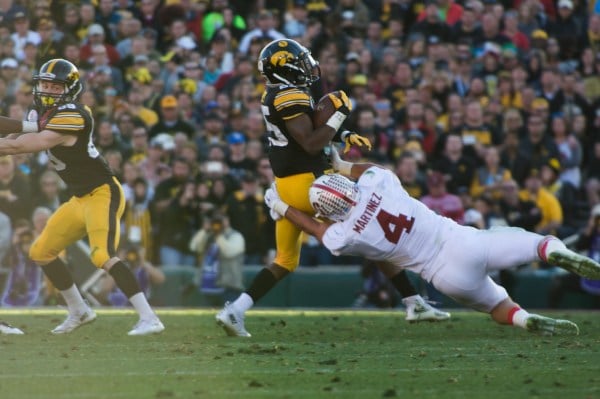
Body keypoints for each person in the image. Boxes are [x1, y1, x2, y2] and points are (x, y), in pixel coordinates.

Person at [216, 38, 448, 337]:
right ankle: (414, 302)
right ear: (284, 69)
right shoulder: (287, 95)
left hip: (288, 185)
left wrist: (344, 131)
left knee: (285, 260)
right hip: (310, 185)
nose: (307, 65)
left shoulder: (280, 92)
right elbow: (311, 143)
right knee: (371, 228)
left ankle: (235, 310)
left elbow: (311, 126)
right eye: (298, 62)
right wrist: (340, 114)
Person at [264, 145, 600, 335]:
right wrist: (340, 164)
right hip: (460, 241)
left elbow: (315, 229)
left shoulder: (345, 233)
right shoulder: (379, 181)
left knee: (498, 305)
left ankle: (527, 320)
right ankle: (557, 251)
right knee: (538, 244)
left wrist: (281, 205)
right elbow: (368, 169)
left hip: (444, 277)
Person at [0, 59, 164, 335]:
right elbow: (19, 132)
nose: (48, 91)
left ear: (70, 90)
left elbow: (22, 146)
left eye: (55, 86)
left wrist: (21, 132)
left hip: (102, 192)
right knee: (41, 252)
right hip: (78, 198)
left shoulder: (74, 114)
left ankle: (149, 318)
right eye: (44, 84)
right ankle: (79, 310)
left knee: (102, 255)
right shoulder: (40, 111)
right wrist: (22, 127)